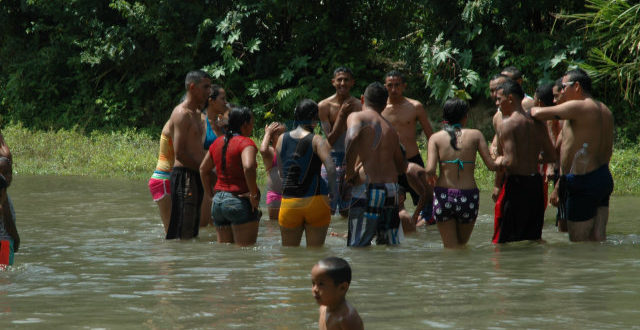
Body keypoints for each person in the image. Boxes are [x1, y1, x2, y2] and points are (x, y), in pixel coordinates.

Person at [531, 68, 614, 242]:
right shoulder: (605, 110)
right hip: (603, 177)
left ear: (576, 86)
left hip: (583, 179)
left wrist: (530, 107)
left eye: (563, 87)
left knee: (579, 242)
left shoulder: (578, 106)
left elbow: (538, 113)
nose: (561, 91)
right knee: (598, 238)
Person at [425, 99, 500, 248]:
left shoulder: (436, 138)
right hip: (468, 196)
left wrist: (431, 175)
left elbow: (430, 169)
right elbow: (492, 166)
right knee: (462, 245)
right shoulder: (476, 135)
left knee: (450, 247)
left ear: (445, 117)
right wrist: (502, 158)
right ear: (465, 117)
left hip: (443, 195)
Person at [492, 80, 556, 244]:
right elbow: (551, 156)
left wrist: (497, 160)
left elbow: (511, 162)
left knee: (504, 241)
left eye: (500, 99)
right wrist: (530, 157)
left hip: (516, 185)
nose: (497, 103)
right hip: (535, 185)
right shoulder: (537, 123)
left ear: (511, 98)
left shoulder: (507, 125)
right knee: (533, 238)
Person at [344, 82, 407, 246]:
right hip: (390, 190)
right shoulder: (391, 130)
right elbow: (401, 167)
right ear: (385, 103)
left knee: (358, 245)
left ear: (363, 99)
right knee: (390, 245)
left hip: (367, 189)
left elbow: (351, 137)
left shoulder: (357, 117)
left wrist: (349, 172)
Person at [277, 99, 336, 247]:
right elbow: (330, 168)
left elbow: (281, 173)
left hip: (290, 203)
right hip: (316, 201)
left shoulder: (281, 139)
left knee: (289, 256)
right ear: (314, 119)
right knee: (315, 255)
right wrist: (333, 195)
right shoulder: (317, 140)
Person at [200, 106, 261, 246]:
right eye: (252, 123)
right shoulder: (246, 143)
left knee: (226, 256)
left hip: (218, 204)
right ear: (244, 125)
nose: (253, 126)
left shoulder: (217, 142)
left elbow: (203, 169)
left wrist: (210, 196)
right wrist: (253, 195)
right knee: (245, 255)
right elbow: (249, 167)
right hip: (238, 202)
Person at [382, 70, 434, 222]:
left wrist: (432, 165)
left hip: (413, 160)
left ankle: (421, 231)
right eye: (390, 85)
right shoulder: (380, 108)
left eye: (397, 85)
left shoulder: (415, 106)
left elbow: (431, 137)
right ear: (385, 86)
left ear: (404, 86)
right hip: (390, 164)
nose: (393, 89)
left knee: (427, 201)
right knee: (391, 204)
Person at [166, 70, 210, 240]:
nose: (209, 92)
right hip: (185, 176)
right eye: (205, 87)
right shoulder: (181, 114)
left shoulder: (198, 115)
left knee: (193, 230)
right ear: (192, 87)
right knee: (182, 233)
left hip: (196, 174)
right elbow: (180, 153)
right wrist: (204, 170)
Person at [318, 67, 362, 217]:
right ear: (333, 82)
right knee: (327, 207)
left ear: (352, 83)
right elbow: (330, 140)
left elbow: (362, 138)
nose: (342, 83)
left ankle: (344, 238)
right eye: (339, 80)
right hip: (331, 159)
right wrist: (342, 115)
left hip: (353, 159)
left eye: (346, 80)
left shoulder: (359, 105)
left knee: (348, 210)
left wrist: (357, 164)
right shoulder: (324, 106)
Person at [200, 85, 229, 228]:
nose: (225, 102)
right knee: (203, 225)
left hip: (222, 183)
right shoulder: (200, 122)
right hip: (206, 183)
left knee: (219, 227)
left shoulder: (223, 123)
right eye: (222, 99)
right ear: (211, 101)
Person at [311, 257, 363, 330]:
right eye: (313, 283)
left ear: (342, 288)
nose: (314, 289)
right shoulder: (323, 308)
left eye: (321, 284)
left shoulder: (347, 318)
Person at [148, 118, 174, 234]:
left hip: (165, 179)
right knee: (170, 231)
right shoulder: (172, 125)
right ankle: (165, 251)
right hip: (163, 180)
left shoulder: (174, 124)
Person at [259, 122, 285, 220]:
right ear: (271, 138)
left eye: (284, 133)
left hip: (289, 195)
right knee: (274, 225)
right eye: (279, 134)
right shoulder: (271, 152)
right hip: (275, 195)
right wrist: (267, 133)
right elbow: (262, 150)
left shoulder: (288, 151)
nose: (282, 136)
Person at [0, 157, 18, 267]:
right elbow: (9, 222)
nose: (8, 177)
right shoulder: (3, 197)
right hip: (4, 243)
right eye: (4, 173)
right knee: (4, 278)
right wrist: (16, 239)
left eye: (10, 172)